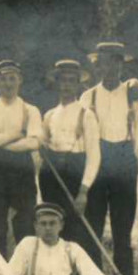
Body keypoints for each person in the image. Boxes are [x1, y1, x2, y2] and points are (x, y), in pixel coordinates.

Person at [78, 41, 138, 275]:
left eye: (115, 62)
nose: (109, 67)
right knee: (93, 226)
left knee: (122, 228)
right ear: (97, 66)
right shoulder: (88, 96)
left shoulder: (132, 92)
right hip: (97, 160)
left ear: (121, 64)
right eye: (104, 62)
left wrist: (131, 158)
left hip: (124, 159)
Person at [0, 58, 43, 258]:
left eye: (12, 79)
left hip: (22, 171)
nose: (8, 84)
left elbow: (34, 143)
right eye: (3, 79)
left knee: (25, 226)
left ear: (20, 80)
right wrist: (16, 136)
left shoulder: (30, 110)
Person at [37, 58, 99, 261]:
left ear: (78, 85)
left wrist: (84, 190)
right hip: (51, 175)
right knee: (53, 226)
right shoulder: (49, 115)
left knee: (78, 230)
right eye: (63, 81)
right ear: (56, 84)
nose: (67, 85)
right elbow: (41, 148)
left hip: (75, 174)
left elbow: (94, 156)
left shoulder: (86, 115)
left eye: (72, 81)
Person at [8, 202, 109, 275]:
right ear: (36, 226)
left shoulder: (71, 248)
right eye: (43, 223)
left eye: (52, 223)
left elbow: (93, 274)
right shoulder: (28, 245)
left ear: (61, 225)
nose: (48, 228)